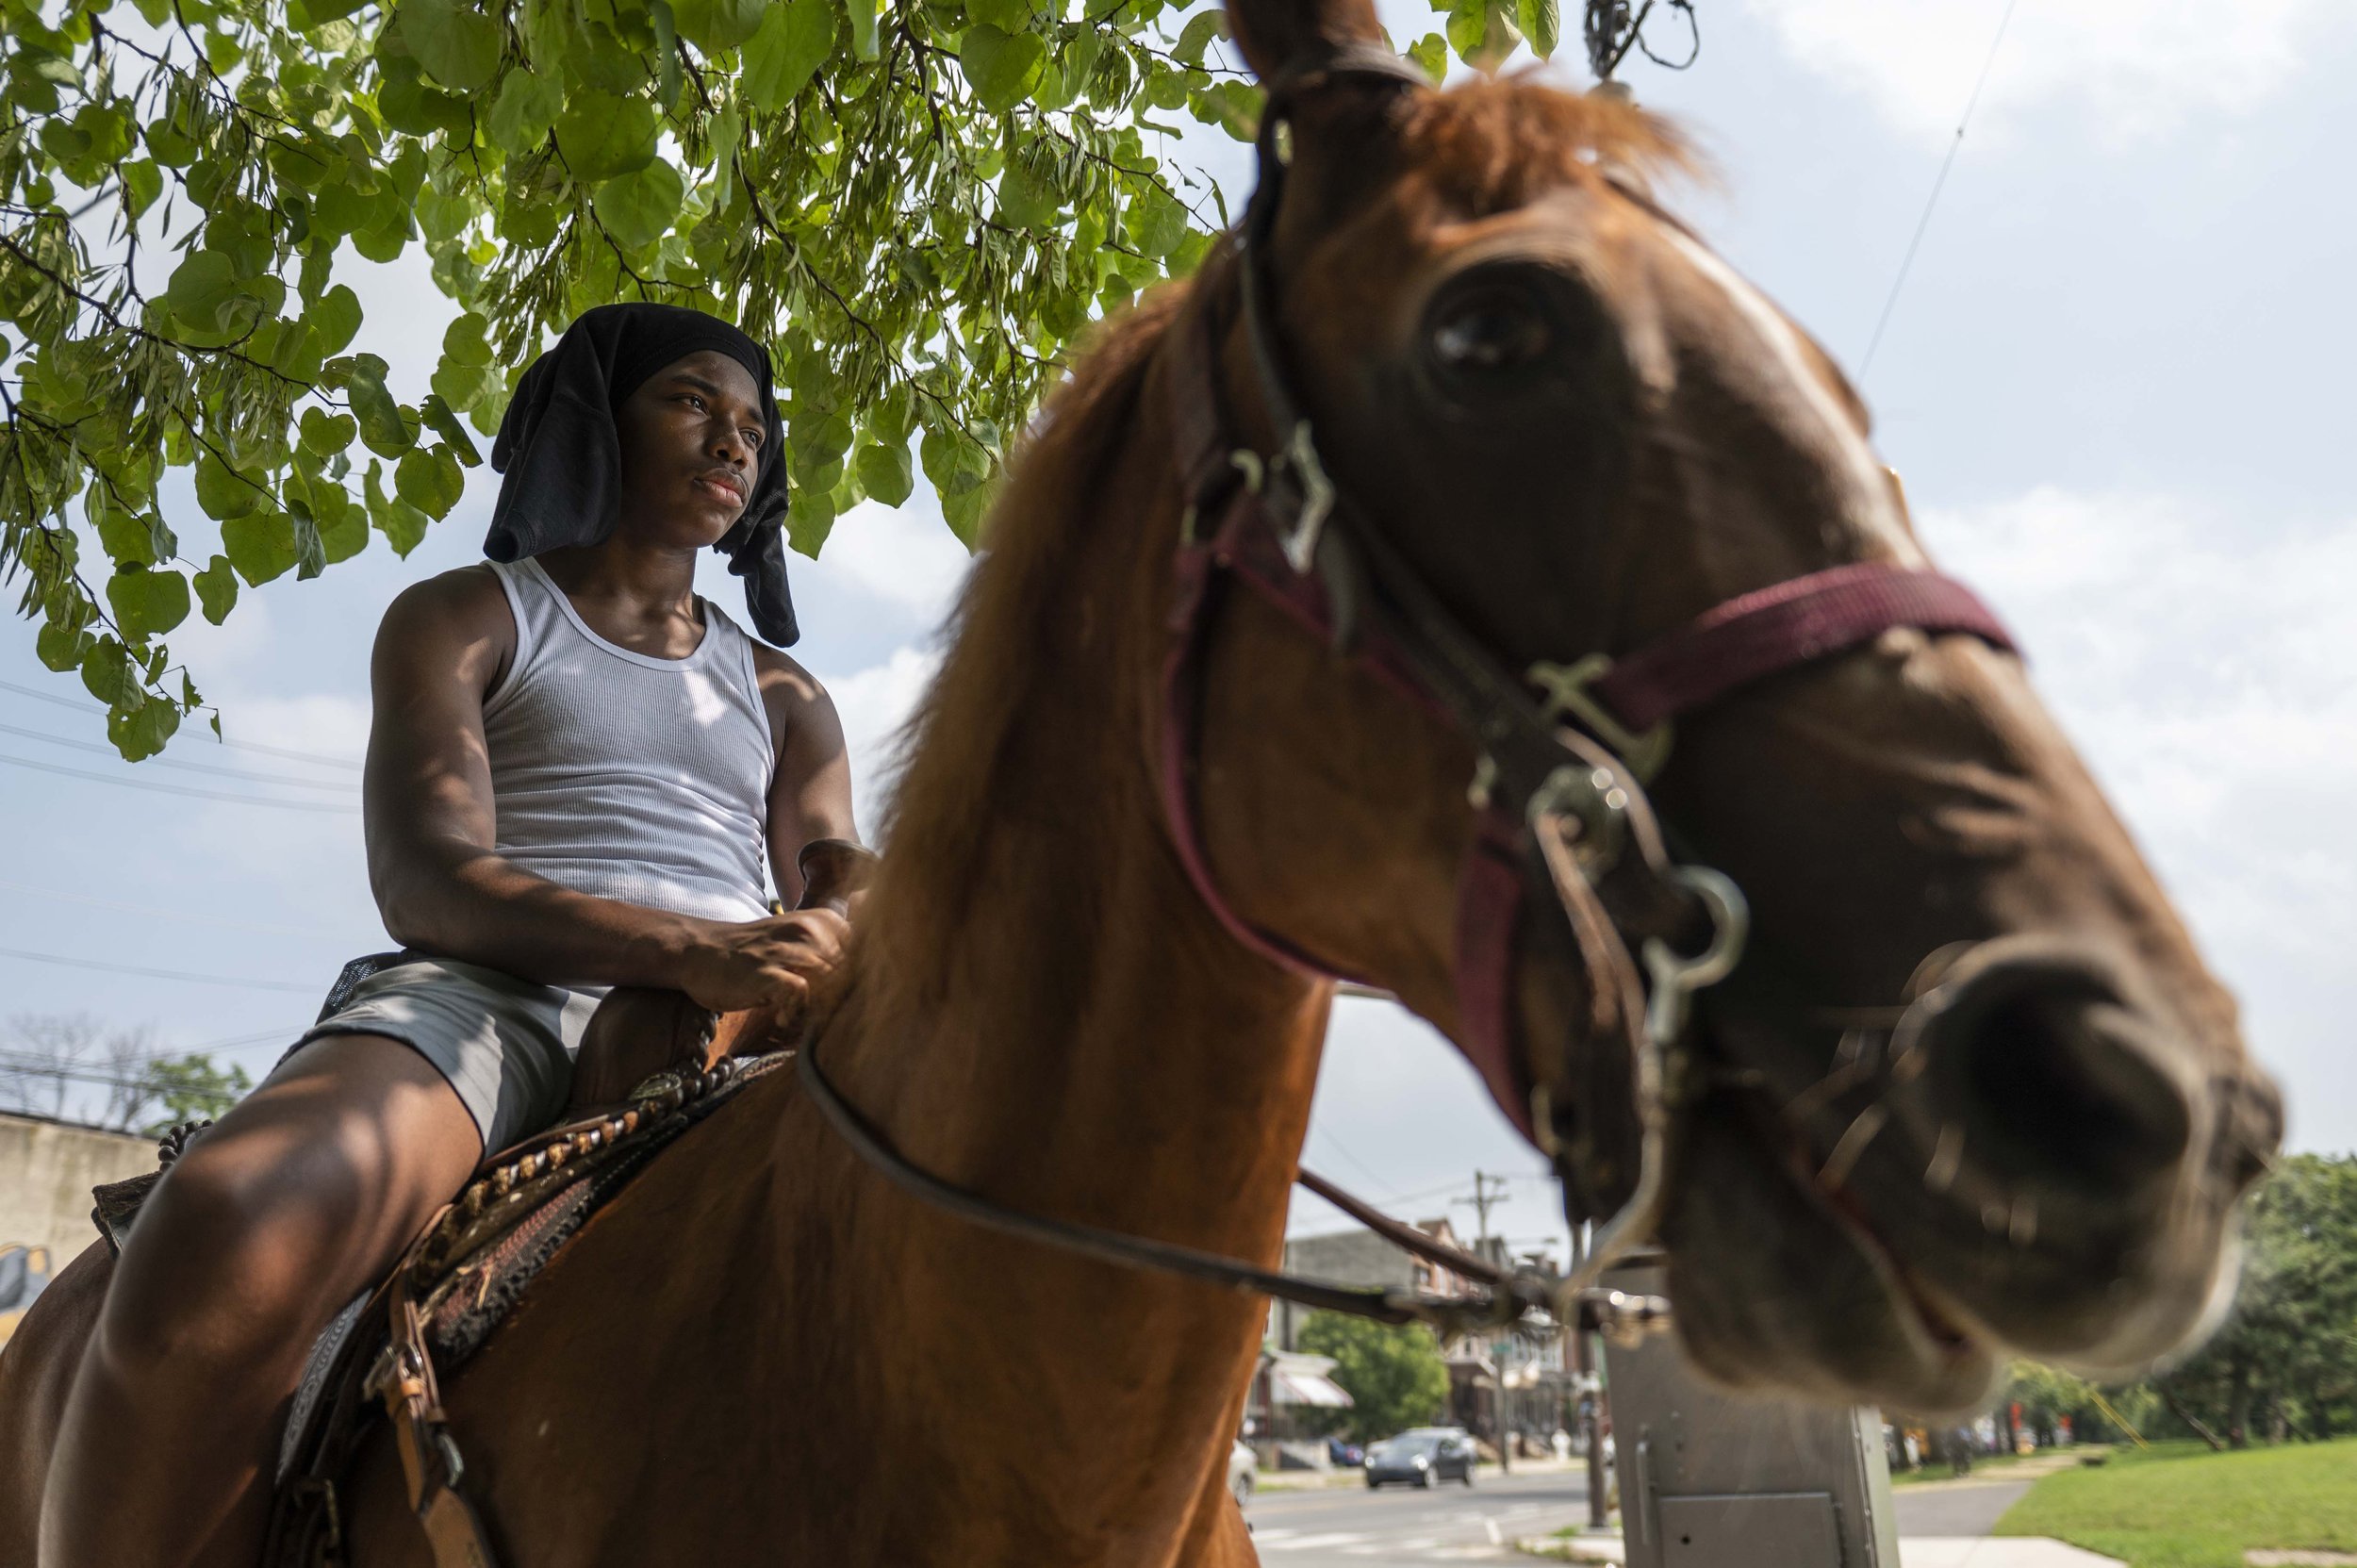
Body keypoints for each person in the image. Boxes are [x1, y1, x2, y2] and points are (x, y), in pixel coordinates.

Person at [41, 304, 858, 1568]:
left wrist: (836, 923)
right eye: (693, 403)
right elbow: (431, 882)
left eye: (753, 428)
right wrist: (689, 945)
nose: (733, 442)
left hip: (733, 1019)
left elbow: (831, 870)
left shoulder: (785, 693)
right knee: (227, 1224)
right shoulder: (465, 618)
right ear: (594, 422)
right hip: (491, 999)